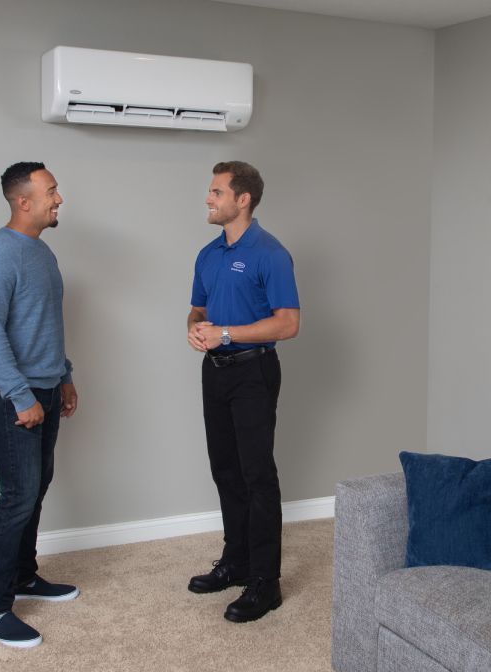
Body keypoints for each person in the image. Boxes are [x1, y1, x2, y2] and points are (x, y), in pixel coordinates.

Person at [0, 162, 79, 648]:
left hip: (48, 387)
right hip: (14, 393)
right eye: (51, 191)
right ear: (23, 201)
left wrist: (66, 377)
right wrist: (19, 396)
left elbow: (44, 324)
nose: (59, 198)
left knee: (36, 488)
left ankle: (24, 575)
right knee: (18, 495)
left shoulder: (42, 252)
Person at [186, 161, 300, 622]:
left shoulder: (270, 253)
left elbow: (288, 323)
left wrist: (227, 334)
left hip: (254, 371)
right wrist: (196, 332)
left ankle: (264, 582)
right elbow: (196, 311)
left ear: (242, 199)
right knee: (225, 471)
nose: (209, 199)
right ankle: (235, 562)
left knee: (257, 476)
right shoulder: (207, 254)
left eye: (216, 192)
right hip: (214, 372)